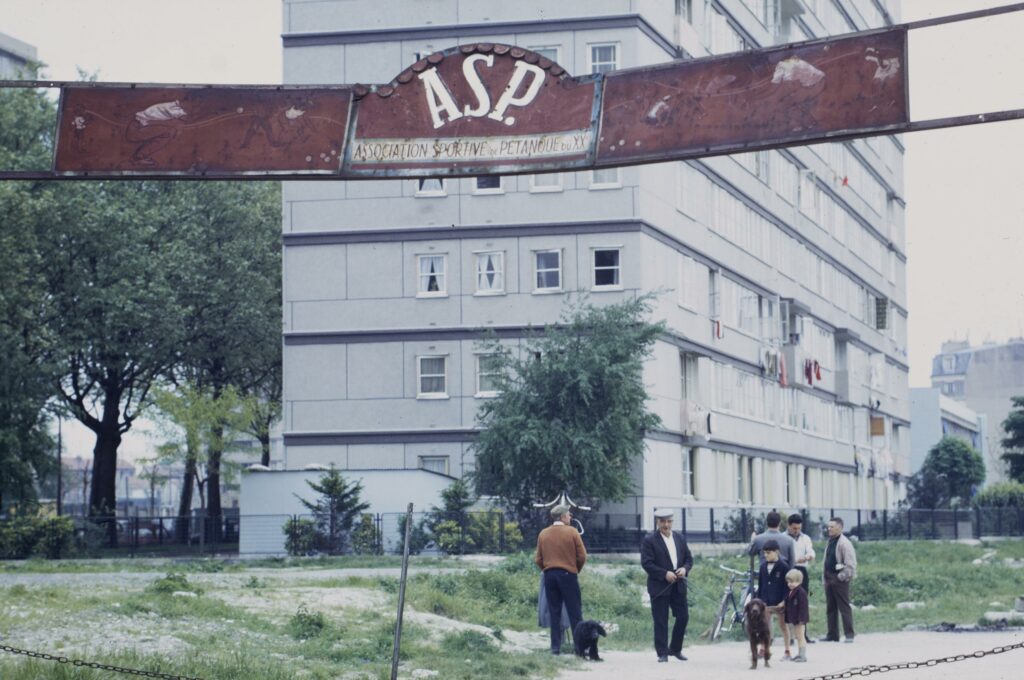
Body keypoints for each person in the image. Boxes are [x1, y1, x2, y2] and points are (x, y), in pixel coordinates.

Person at [640, 508, 694, 663]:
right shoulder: (649, 540)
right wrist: (664, 574)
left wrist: (684, 569)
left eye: (669, 521)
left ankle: (675, 649)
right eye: (662, 521)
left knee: (683, 617)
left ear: (672, 522)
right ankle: (662, 652)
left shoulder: (680, 538)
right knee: (661, 620)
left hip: (679, 585)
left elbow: (689, 559)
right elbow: (646, 563)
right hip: (659, 587)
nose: (666, 525)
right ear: (657, 522)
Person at [535, 504, 587, 655]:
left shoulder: (543, 533)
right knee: (575, 612)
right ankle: (579, 648)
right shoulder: (572, 532)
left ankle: (555, 648)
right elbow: (582, 556)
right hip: (568, 574)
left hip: (549, 575)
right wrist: (575, 569)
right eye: (569, 514)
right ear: (563, 517)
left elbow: (538, 559)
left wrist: (547, 569)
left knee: (554, 612)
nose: (570, 517)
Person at [820, 517, 857, 643]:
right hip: (828, 577)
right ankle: (832, 635)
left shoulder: (845, 543)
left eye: (832, 527)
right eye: (828, 526)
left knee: (844, 607)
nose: (829, 529)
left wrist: (840, 577)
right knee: (830, 607)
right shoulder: (830, 541)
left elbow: (850, 564)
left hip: (839, 579)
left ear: (840, 528)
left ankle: (849, 634)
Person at [756, 539, 791, 659]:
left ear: (777, 552)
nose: (766, 555)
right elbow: (761, 585)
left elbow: (787, 586)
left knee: (783, 625)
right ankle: (763, 649)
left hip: (780, 602)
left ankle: (787, 650)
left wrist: (784, 600)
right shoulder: (762, 567)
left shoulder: (784, 566)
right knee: (765, 626)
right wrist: (759, 601)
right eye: (764, 553)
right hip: (765, 601)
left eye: (768, 553)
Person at [786, 513, 816, 642]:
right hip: (788, 570)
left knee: (802, 602)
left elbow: (811, 551)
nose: (796, 531)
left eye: (799, 528)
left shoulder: (805, 538)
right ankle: (790, 636)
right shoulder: (783, 538)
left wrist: (808, 556)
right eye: (794, 528)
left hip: (802, 570)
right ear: (788, 526)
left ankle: (803, 635)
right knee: (788, 602)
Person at [784, 569, 809, 662]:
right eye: (788, 582)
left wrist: (802, 619)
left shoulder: (801, 593)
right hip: (794, 619)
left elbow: (803, 607)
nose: (789, 584)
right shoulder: (791, 591)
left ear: (799, 581)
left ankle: (802, 655)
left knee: (800, 636)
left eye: (792, 582)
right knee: (798, 636)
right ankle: (799, 654)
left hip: (800, 620)